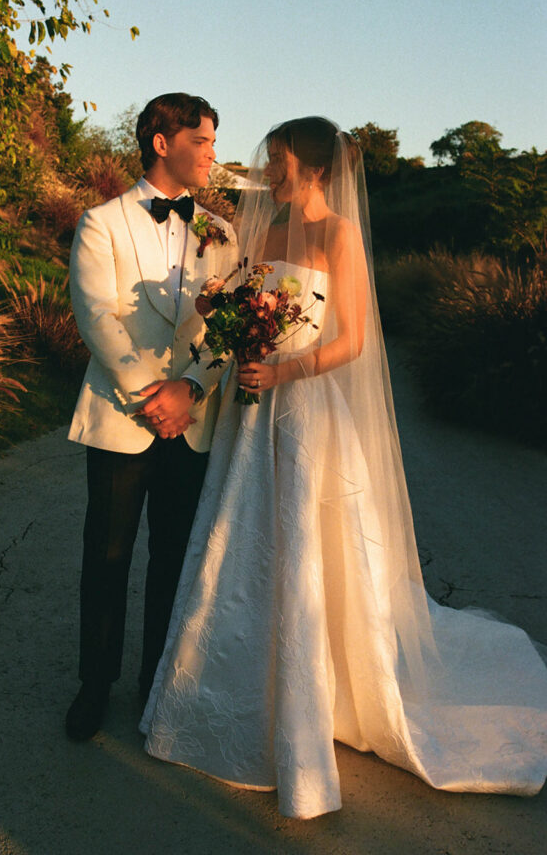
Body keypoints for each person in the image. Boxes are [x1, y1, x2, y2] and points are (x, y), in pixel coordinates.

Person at [140, 116, 547, 819]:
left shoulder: (341, 235)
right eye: (268, 157)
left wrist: (286, 369)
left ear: (316, 170)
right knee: (239, 549)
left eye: (280, 159)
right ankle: (230, 685)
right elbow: (237, 311)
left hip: (304, 407)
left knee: (304, 547)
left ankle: (318, 691)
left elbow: (354, 339)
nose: (269, 169)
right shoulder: (261, 235)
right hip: (250, 411)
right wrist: (230, 328)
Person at [65, 93, 237, 741]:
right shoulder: (101, 221)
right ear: (162, 142)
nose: (212, 154)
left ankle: (154, 684)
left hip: (191, 421)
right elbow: (96, 314)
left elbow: (227, 324)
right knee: (105, 556)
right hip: (120, 415)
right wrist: (151, 393)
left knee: (174, 557)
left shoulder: (221, 232)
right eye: (203, 141)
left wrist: (190, 387)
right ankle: (94, 684)